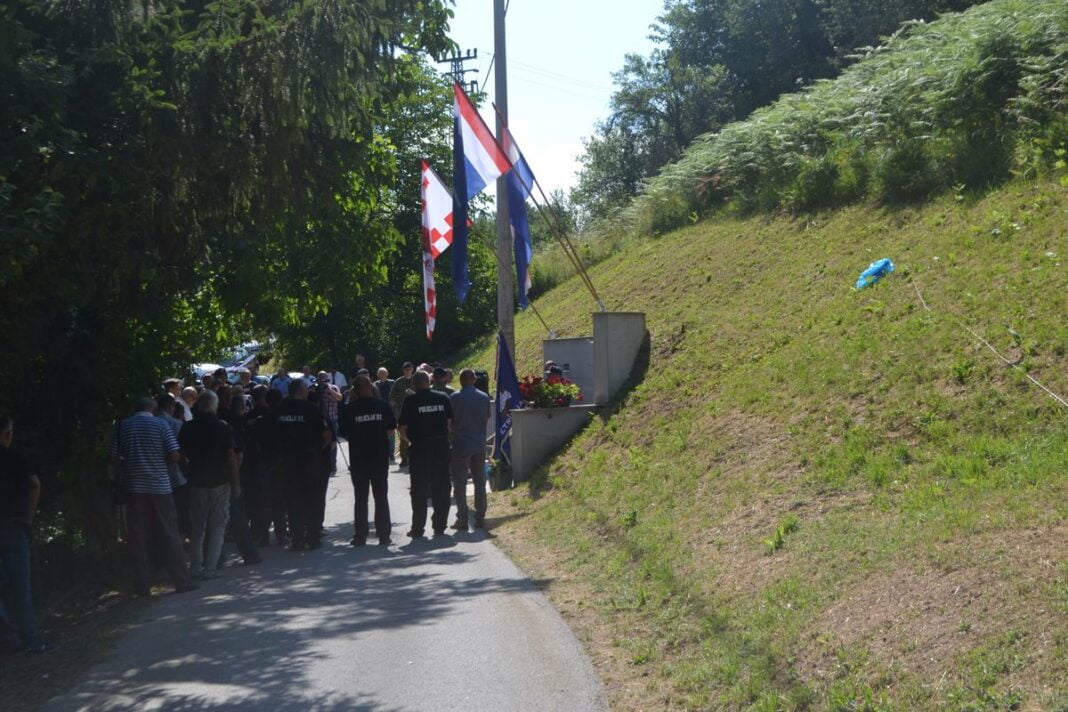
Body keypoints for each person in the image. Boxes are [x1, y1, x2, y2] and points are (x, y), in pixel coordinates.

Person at [109, 398, 197, 596]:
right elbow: (175, 455)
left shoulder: (122, 426)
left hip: (134, 487)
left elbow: (113, 458)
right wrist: (159, 463)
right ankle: (182, 580)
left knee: (138, 537)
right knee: (170, 533)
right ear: (153, 408)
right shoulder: (161, 424)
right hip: (160, 485)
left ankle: (142, 585)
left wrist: (130, 463)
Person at [0, 416, 52, 654]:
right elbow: (35, 485)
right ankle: (29, 639)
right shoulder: (15, 457)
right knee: (21, 587)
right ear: (7, 434)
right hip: (13, 525)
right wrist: (29, 517)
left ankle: (8, 637)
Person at [178, 390, 238, 580]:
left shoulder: (188, 427)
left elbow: (180, 454)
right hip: (220, 481)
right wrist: (236, 482)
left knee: (197, 528)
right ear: (215, 405)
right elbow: (231, 456)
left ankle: (195, 568)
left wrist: (186, 472)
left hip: (196, 481)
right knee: (218, 526)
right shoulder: (223, 427)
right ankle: (211, 568)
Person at [339, 375, 396, 546]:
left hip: (359, 459)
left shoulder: (349, 410)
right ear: (371, 387)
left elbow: (344, 433)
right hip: (379, 458)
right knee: (381, 497)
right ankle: (384, 535)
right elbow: (391, 430)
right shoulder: (382, 406)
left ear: (354, 390)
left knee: (361, 498)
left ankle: (360, 536)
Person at [274, 380, 330, 551]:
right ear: (301, 391)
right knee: (312, 499)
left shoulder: (279, 410)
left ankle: (297, 538)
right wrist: (318, 451)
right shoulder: (312, 409)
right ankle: (312, 537)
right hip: (309, 460)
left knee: (293, 501)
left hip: (287, 462)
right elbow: (327, 435)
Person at [398, 371, 453, 538]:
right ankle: (440, 526)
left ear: (413, 385)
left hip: (419, 447)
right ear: (429, 382)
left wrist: (409, 441)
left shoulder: (410, 401)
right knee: (441, 486)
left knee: (419, 489)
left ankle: (418, 528)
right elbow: (450, 423)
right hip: (440, 446)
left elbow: (402, 428)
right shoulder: (443, 397)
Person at [449, 369, 491, 530]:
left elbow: (450, 420)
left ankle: (462, 518)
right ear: (474, 380)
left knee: (459, 483)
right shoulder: (484, 397)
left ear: (460, 381)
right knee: (479, 482)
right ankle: (480, 518)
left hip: (461, 443)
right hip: (479, 443)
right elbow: (486, 418)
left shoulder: (455, 398)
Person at [389, 362, 415, 467]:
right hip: (402, 411)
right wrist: (393, 403)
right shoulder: (398, 382)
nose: (408, 370)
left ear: (412, 369)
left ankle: (414, 457)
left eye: (409, 368)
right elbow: (392, 396)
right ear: (403, 370)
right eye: (406, 369)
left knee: (415, 435)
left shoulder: (416, 380)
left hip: (415, 412)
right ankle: (404, 458)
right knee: (403, 436)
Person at [375, 368, 396, 462]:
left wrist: (394, 401)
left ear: (387, 373)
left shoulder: (392, 382)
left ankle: (391, 453)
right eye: (380, 373)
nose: (382, 374)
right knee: (380, 432)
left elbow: (396, 394)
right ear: (378, 375)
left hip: (391, 411)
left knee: (391, 432)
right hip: (380, 411)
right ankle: (383, 452)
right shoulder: (375, 384)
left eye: (384, 373)